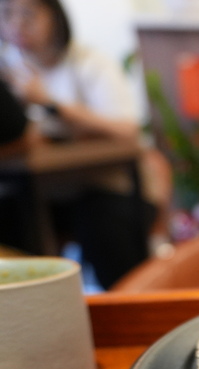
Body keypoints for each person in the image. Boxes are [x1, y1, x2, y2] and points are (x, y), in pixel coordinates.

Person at [0, 0, 154, 288]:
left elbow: (127, 131)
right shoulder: (8, 68)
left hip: (106, 185)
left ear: (55, 17)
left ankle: (127, 307)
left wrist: (51, 104)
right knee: (12, 224)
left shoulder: (88, 63)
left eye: (28, 14)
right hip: (41, 193)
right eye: (7, 14)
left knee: (102, 226)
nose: (16, 24)